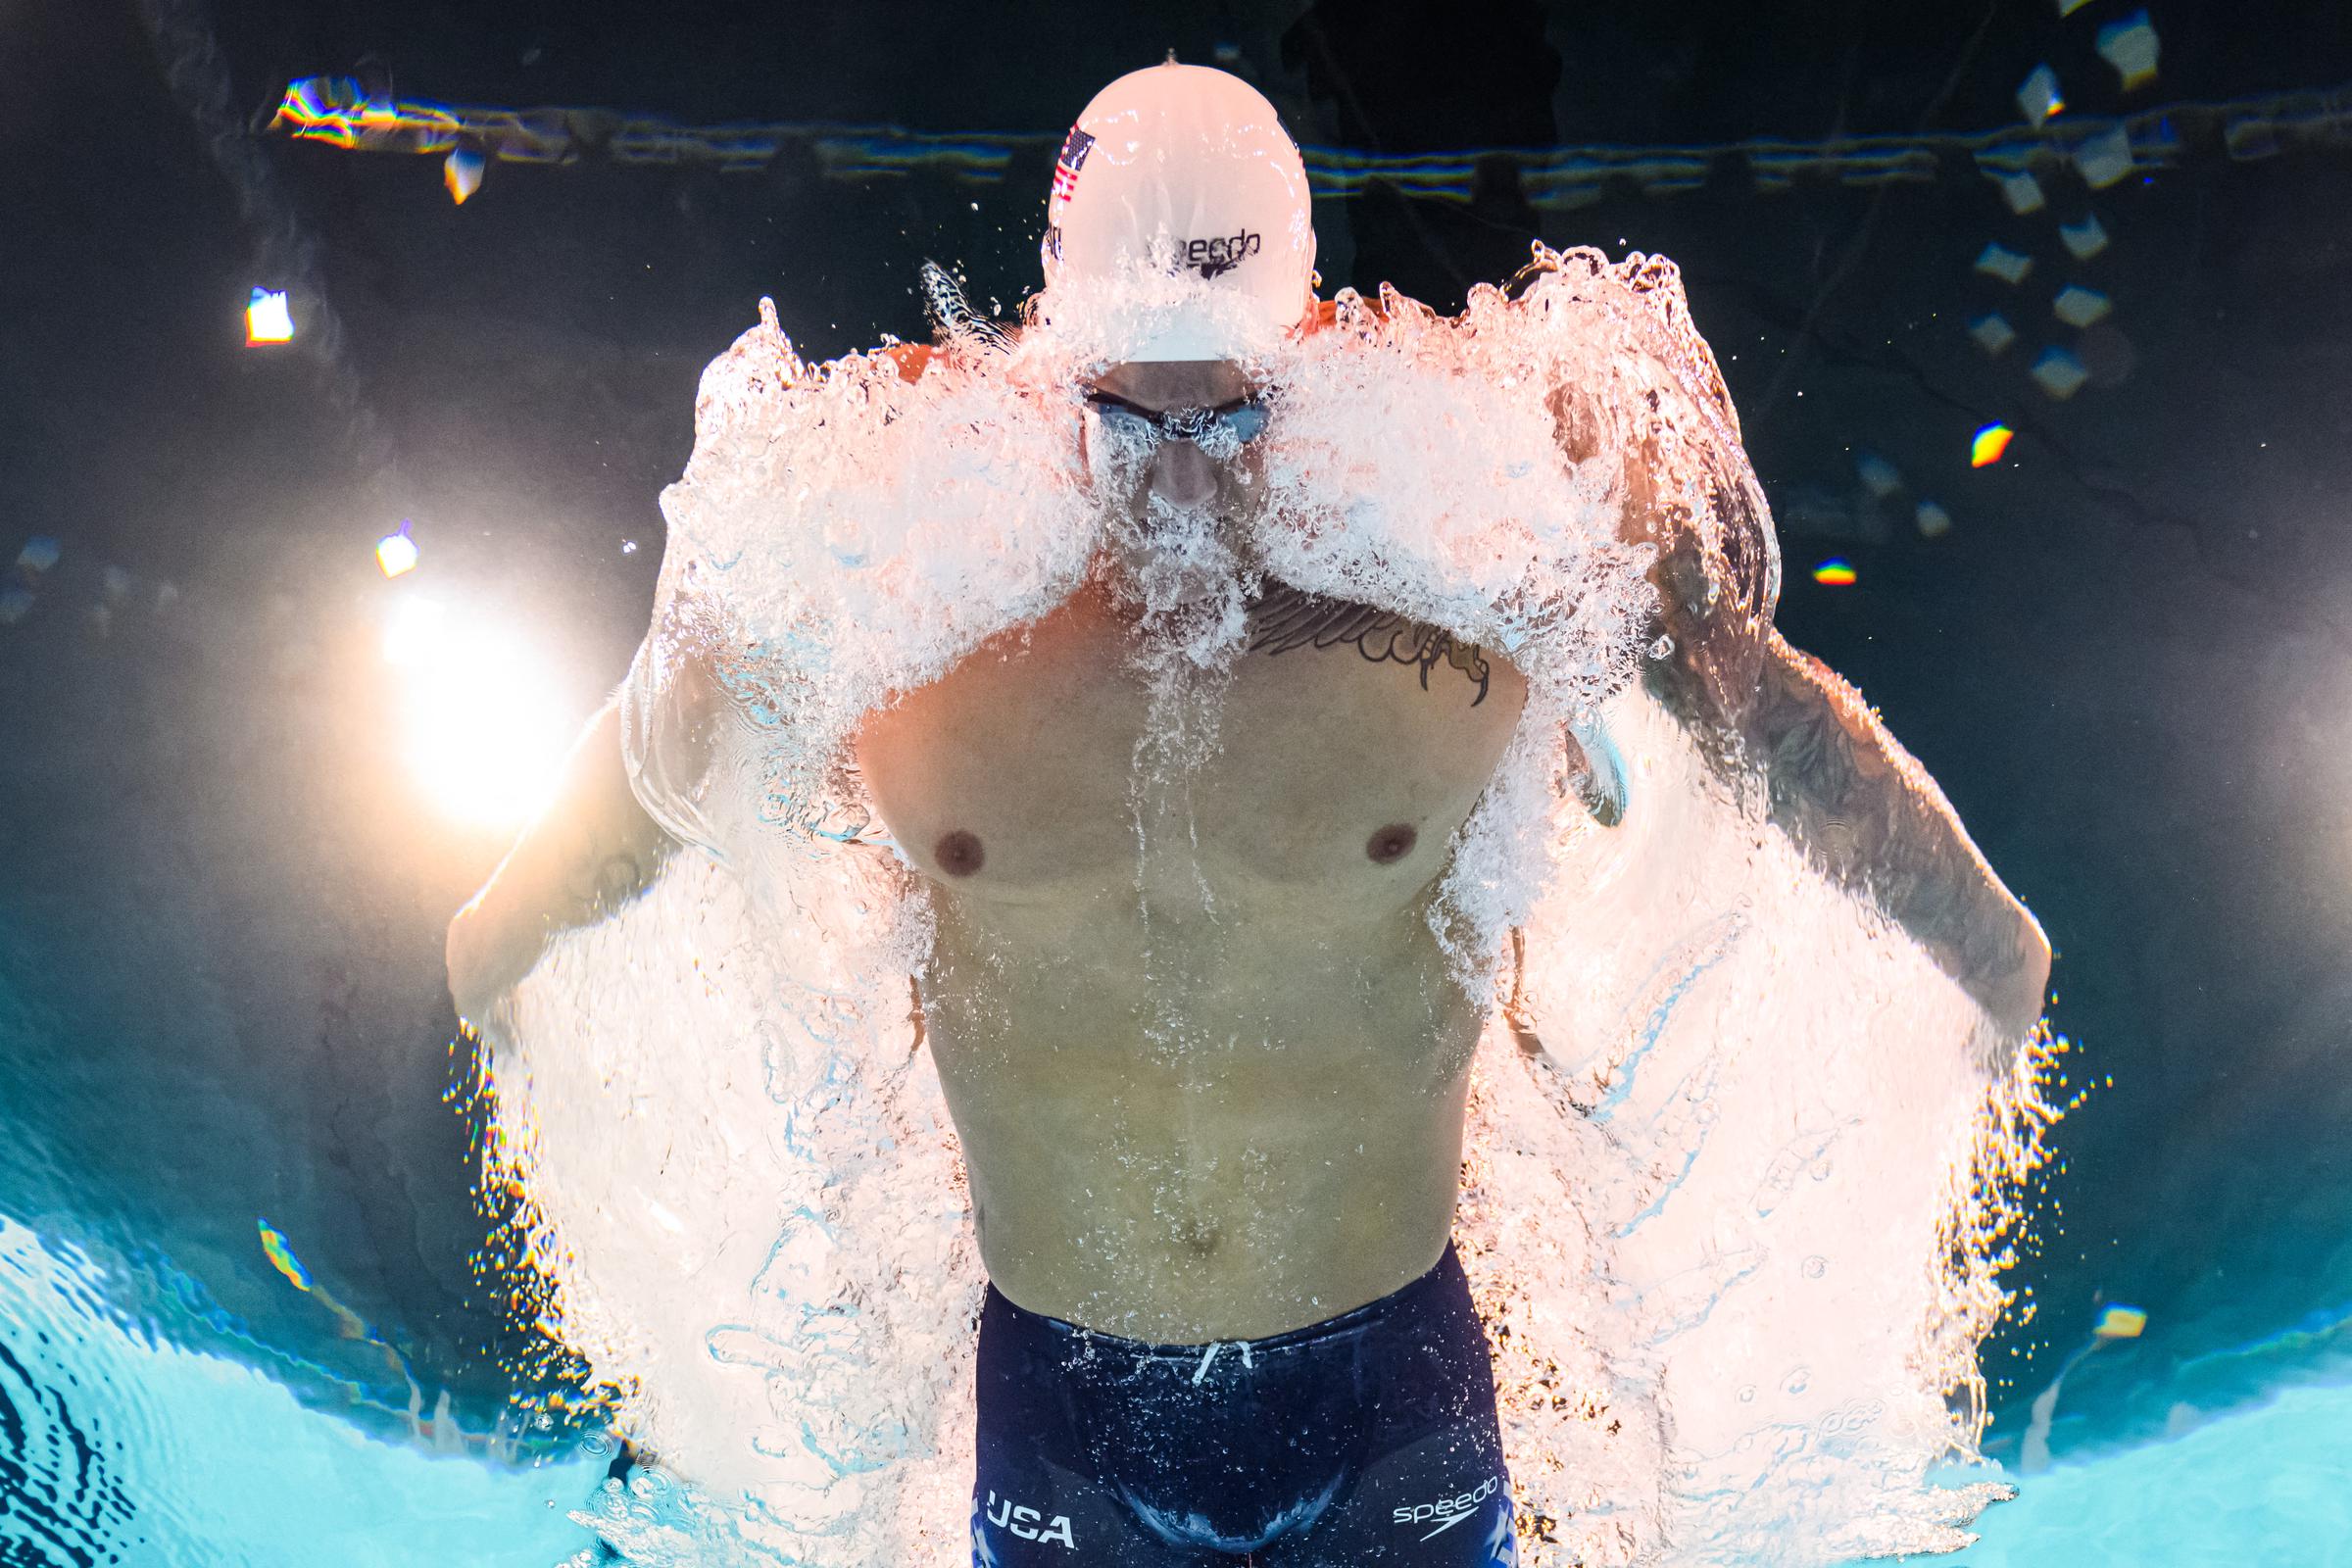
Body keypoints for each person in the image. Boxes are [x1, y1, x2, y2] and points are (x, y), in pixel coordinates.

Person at [448, 61, 2048, 1568]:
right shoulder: (879, 566)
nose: (1182, 481)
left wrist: (1985, 935)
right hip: (1064, 1414)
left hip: (1391, 1392)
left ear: (1307, 348)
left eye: (1232, 416)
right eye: (1127, 420)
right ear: (1050, 351)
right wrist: (498, 932)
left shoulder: (1485, 533)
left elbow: (1765, 713)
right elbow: (662, 759)